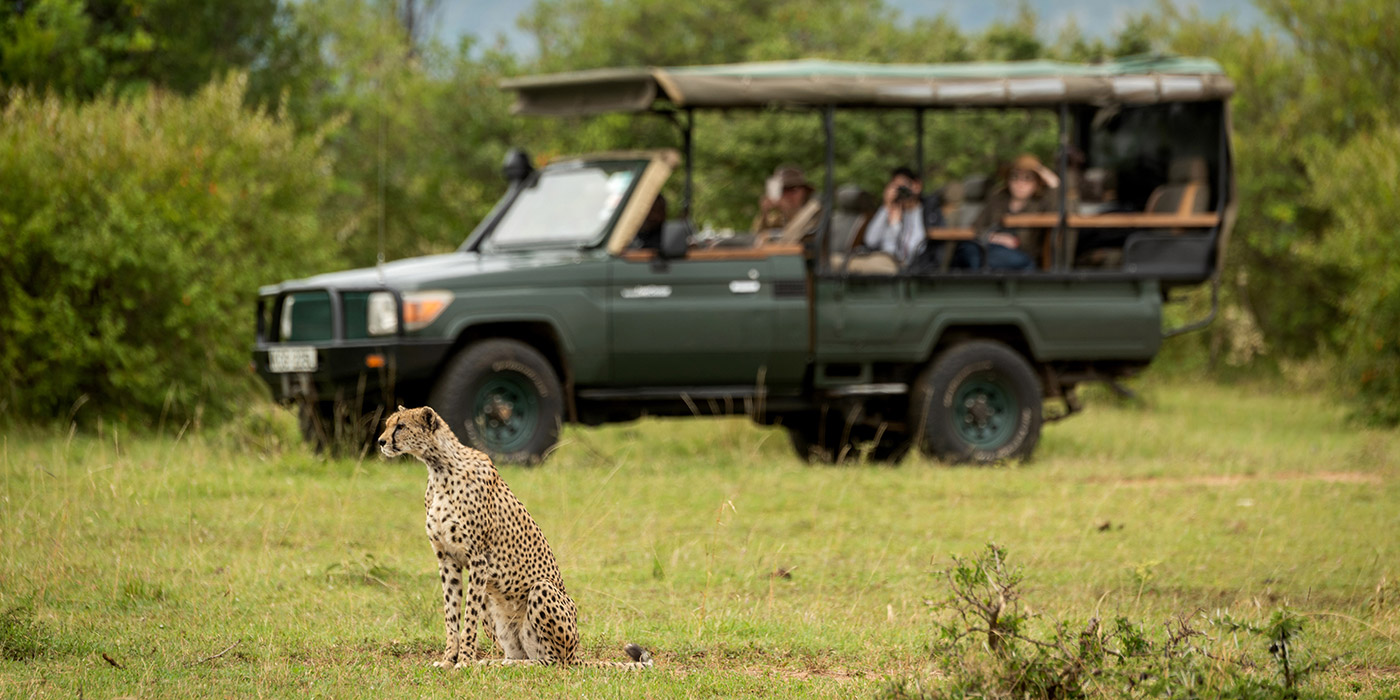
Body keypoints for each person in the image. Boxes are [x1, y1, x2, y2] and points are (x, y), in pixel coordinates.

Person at [971, 153, 1060, 270]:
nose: (1020, 183)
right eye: (1015, 177)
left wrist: (1039, 169)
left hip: (1021, 255)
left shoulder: (1041, 203)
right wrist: (995, 237)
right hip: (989, 247)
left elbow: (1058, 200)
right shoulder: (998, 198)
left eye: (1027, 178)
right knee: (969, 250)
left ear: (1036, 183)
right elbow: (976, 227)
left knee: (979, 259)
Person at [862, 166, 931, 266]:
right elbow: (870, 241)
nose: (901, 192)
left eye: (904, 186)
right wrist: (886, 207)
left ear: (916, 185)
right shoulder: (890, 210)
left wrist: (895, 226)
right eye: (897, 187)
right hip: (883, 260)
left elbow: (913, 249)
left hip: (905, 265)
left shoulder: (924, 212)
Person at [752, 165, 815, 233]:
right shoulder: (777, 218)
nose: (787, 194)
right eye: (783, 190)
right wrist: (765, 213)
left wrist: (790, 213)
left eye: (793, 189)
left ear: (804, 191)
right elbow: (759, 236)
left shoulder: (814, 212)